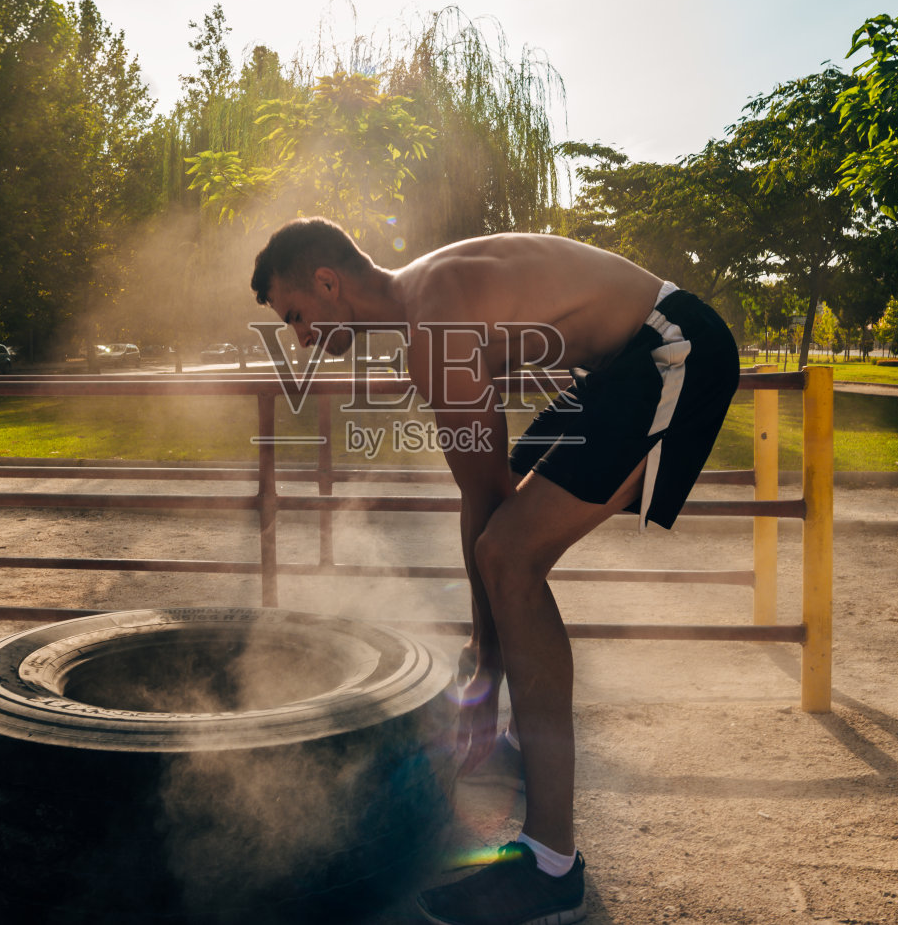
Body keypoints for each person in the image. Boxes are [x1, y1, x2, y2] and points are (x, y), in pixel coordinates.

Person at [250, 218, 740, 925]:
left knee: (511, 556)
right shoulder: (428, 301)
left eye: (295, 315)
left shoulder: (432, 325)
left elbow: (486, 509)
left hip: (671, 349)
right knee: (503, 545)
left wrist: (485, 668)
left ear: (327, 283)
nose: (298, 337)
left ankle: (550, 865)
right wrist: (486, 662)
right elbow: (484, 493)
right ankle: (520, 737)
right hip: (615, 367)